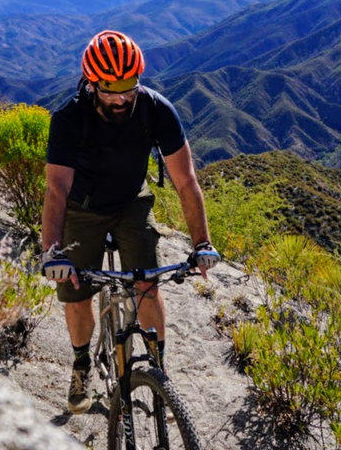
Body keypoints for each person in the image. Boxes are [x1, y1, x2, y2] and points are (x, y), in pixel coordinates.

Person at [40, 29, 220, 414]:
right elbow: (56, 189)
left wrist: (202, 243)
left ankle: (158, 368)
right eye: (110, 87)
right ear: (92, 82)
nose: (120, 97)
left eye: (128, 85)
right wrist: (52, 253)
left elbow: (186, 180)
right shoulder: (69, 118)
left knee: (148, 285)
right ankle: (81, 363)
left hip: (131, 200)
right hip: (81, 208)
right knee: (76, 292)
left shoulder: (156, 110)